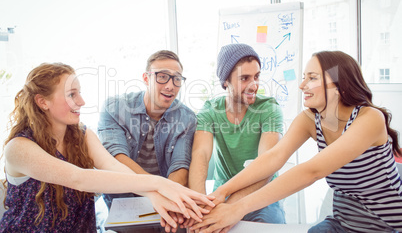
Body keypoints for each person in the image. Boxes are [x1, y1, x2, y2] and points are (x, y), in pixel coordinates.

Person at [190, 50, 402, 233]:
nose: (302, 85)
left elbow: (312, 171)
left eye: (312, 78)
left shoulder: (370, 118)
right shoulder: (309, 119)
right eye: (303, 77)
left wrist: (237, 208)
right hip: (343, 224)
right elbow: (273, 157)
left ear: (339, 85)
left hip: (388, 224)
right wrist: (222, 192)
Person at [0, 63, 214, 232]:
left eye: (80, 92)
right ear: (43, 102)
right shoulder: (19, 148)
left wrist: (154, 195)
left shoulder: (82, 135)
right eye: (71, 94)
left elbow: (113, 166)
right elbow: (79, 178)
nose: (82, 101)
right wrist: (158, 183)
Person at [187, 43, 286, 230]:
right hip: (220, 195)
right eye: (244, 78)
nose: (253, 85)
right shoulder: (210, 110)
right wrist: (198, 208)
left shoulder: (269, 108)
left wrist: (229, 208)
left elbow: (268, 167)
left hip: (261, 194)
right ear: (226, 81)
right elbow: (200, 155)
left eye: (256, 76)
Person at [97, 50, 196, 231]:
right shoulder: (114, 108)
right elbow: (117, 158)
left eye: (177, 79)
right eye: (163, 77)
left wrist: (168, 199)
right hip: (125, 201)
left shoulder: (186, 117)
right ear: (146, 78)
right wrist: (157, 190)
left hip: (168, 196)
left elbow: (180, 166)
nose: (170, 85)